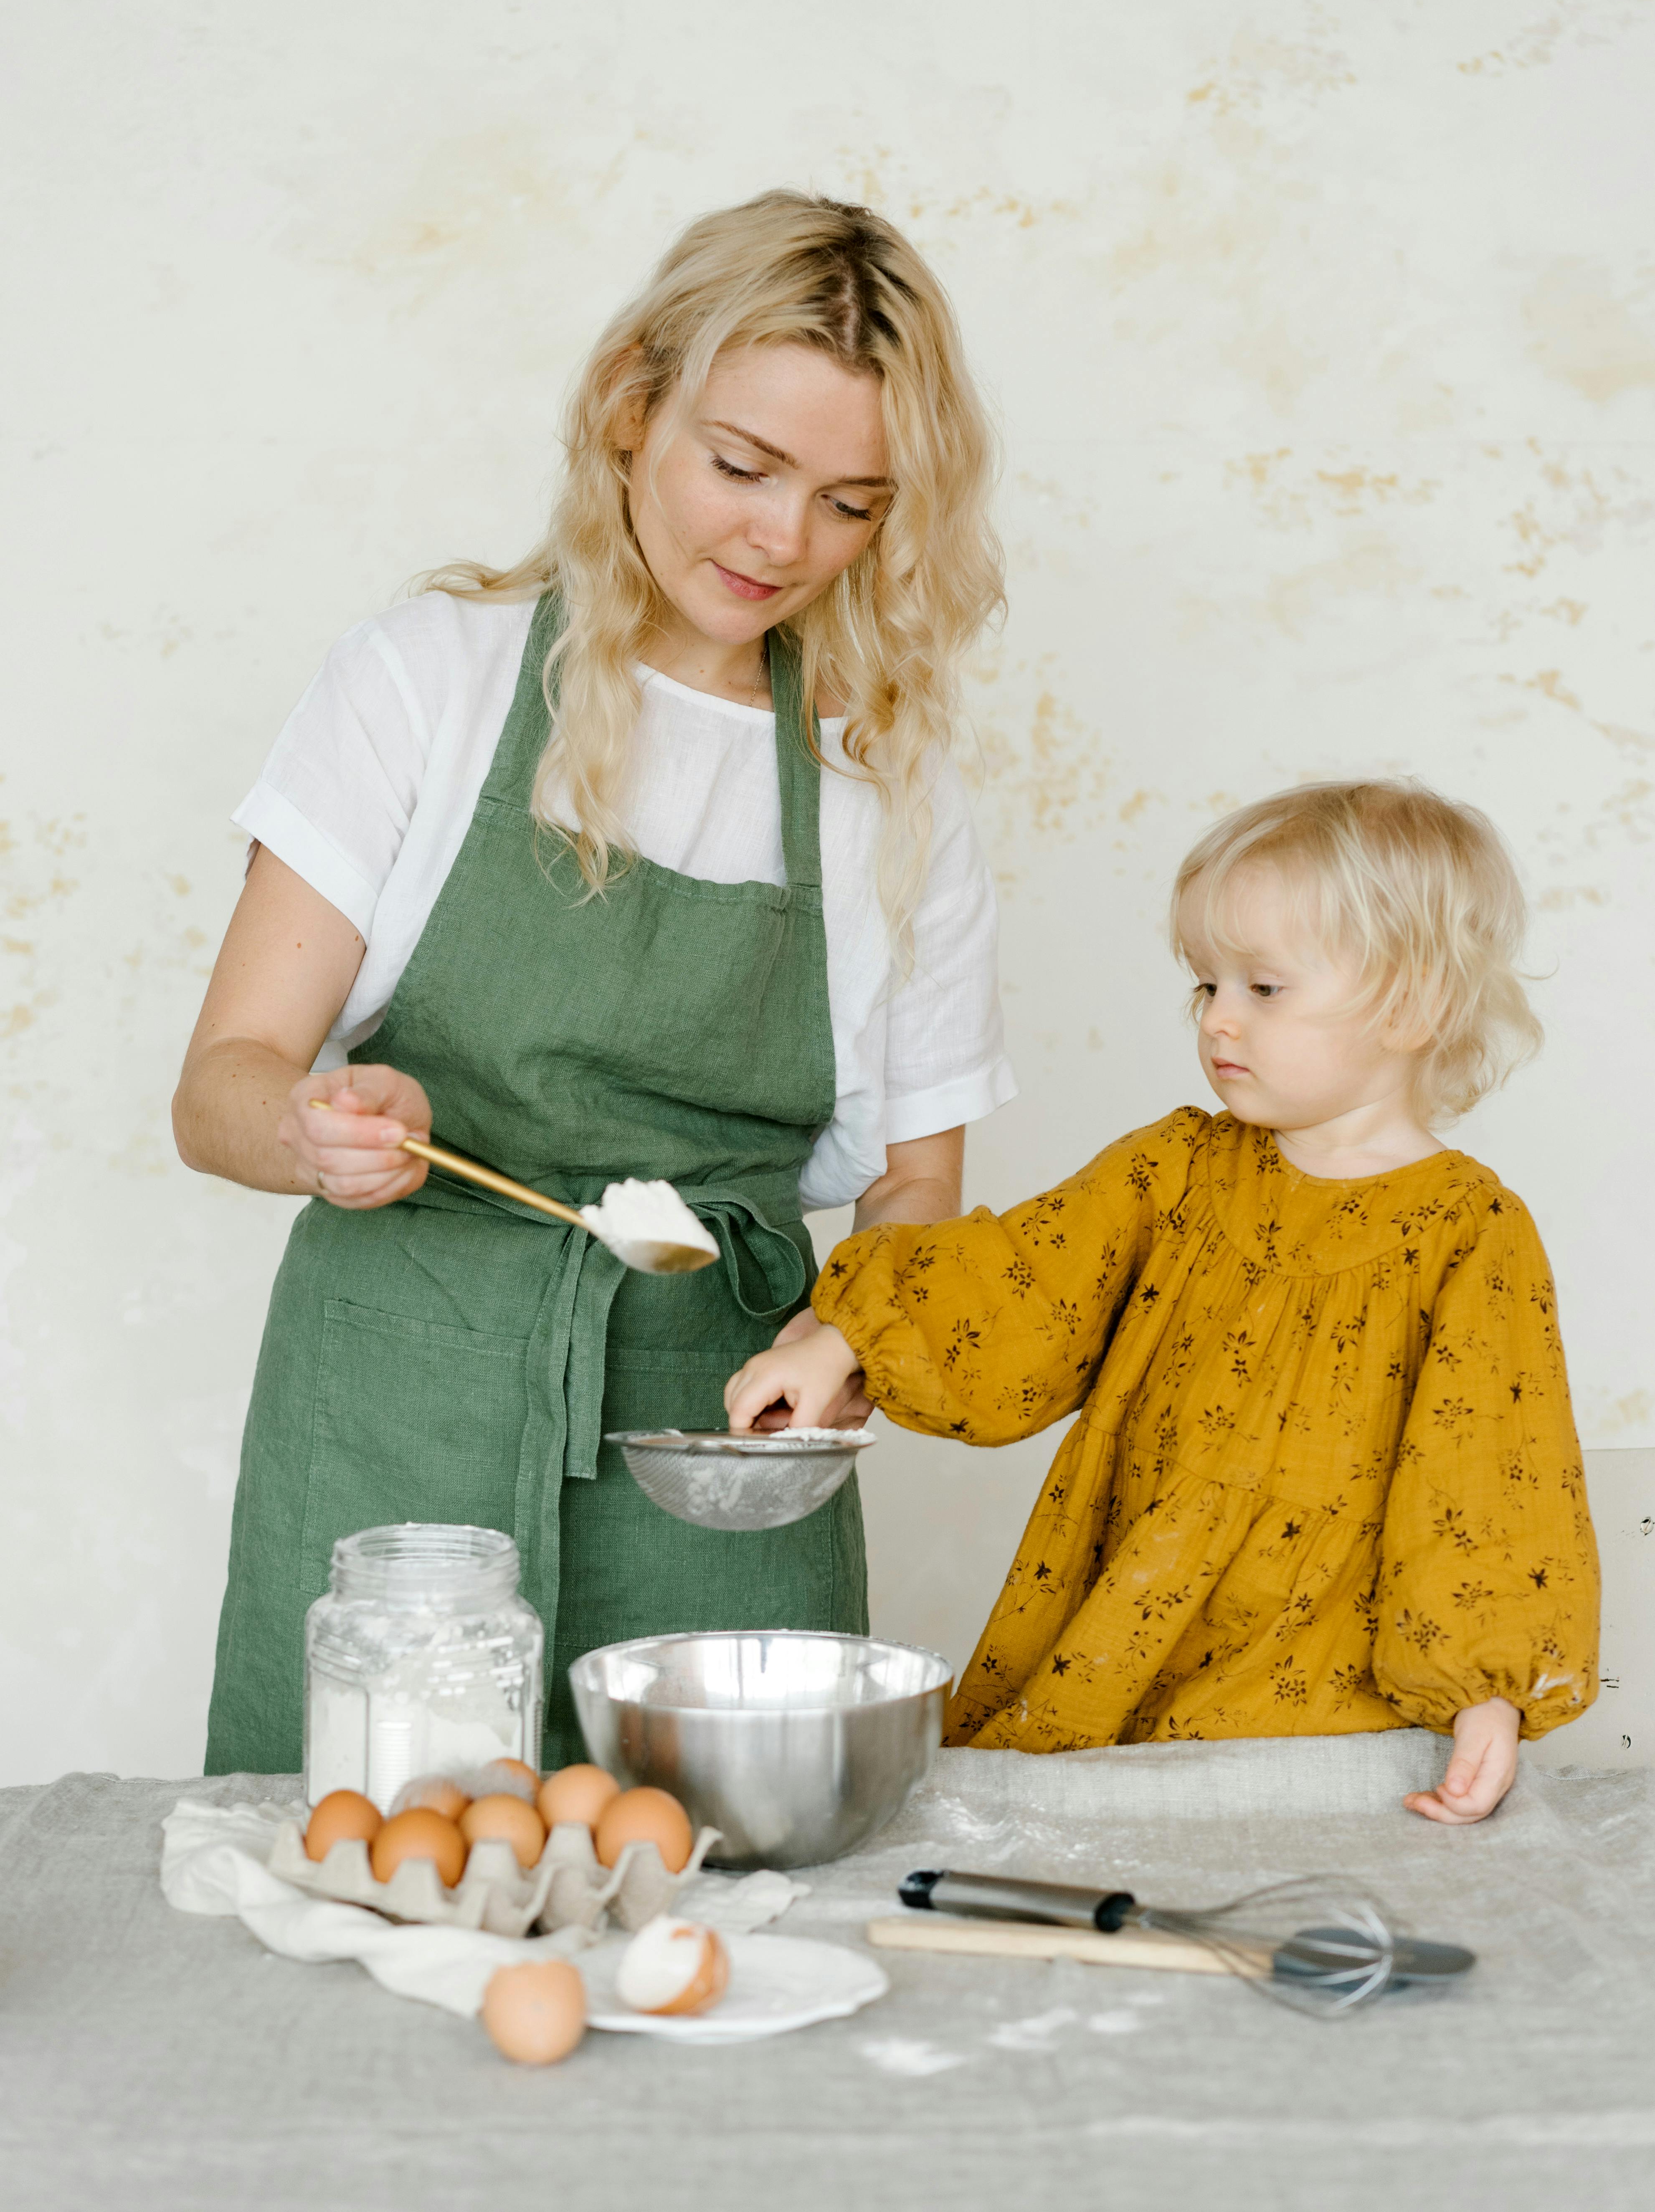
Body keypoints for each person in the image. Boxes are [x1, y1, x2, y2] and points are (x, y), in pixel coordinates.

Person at [175, 191, 1014, 1772]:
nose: (782, 541)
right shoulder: (429, 676)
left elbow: (917, 1187)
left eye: (851, 502)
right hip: (396, 1416)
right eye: (743, 467)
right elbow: (222, 1080)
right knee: (357, 1890)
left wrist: (850, 1342)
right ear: (634, 405)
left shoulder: (885, 788)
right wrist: (317, 1128)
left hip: (716, 1453)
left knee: (721, 1914)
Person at [725, 780, 1600, 1824]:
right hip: (1124, 1640)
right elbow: (1019, 1284)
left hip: (1322, 1685)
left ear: (1409, 1004)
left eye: (1263, 988)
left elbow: (1492, 1475)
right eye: (1206, 986)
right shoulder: (1175, 1170)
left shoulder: (1466, 1232)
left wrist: (1485, 1695)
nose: (1218, 1019)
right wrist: (842, 1335)